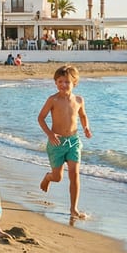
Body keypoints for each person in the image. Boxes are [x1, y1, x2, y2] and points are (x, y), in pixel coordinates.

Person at [37, 65, 93, 220]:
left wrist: (86, 127)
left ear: (74, 83)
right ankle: (48, 177)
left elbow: (82, 116)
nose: (63, 85)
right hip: (56, 142)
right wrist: (49, 134)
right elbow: (40, 118)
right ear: (55, 83)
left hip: (74, 141)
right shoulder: (53, 100)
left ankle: (73, 208)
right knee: (58, 177)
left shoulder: (79, 100)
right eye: (60, 81)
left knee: (74, 174)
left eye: (67, 82)